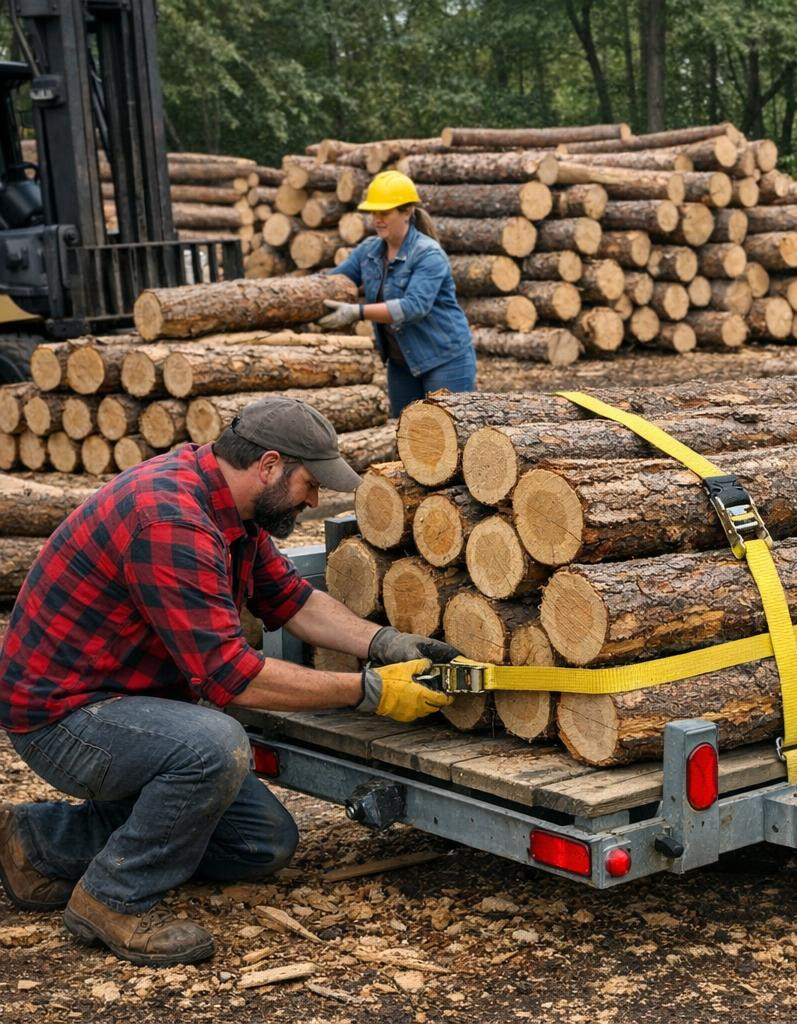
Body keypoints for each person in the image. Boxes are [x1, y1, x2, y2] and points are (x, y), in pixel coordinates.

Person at [0, 397, 460, 967]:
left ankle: (38, 841)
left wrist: (381, 643)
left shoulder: (230, 508)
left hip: (128, 701)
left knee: (260, 844)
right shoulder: (171, 519)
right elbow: (232, 679)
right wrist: (371, 690)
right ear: (268, 465)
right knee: (212, 747)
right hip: (64, 717)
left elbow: (291, 600)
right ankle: (113, 899)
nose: (315, 499)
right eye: (309, 484)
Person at [320, 170, 477, 416]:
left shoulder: (428, 254)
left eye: (384, 213)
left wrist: (357, 312)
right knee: (406, 435)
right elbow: (336, 280)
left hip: (445, 359)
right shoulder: (369, 251)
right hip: (402, 361)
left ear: (406, 212)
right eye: (374, 213)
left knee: (451, 434)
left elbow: (414, 307)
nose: (377, 219)